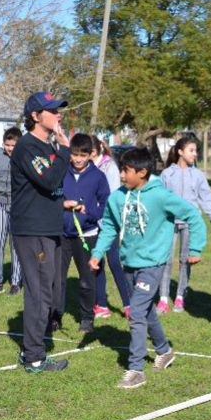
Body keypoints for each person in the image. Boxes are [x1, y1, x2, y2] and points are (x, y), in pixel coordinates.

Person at [89, 147, 207, 389]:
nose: (121, 175)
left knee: (137, 312)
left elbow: (193, 215)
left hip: (153, 263)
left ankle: (136, 370)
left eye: (126, 171)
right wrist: (97, 253)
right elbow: (110, 226)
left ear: (142, 172)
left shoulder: (161, 195)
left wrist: (195, 249)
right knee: (146, 310)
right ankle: (164, 350)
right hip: (129, 263)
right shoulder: (117, 197)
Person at [11, 91, 72, 374]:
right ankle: (34, 356)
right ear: (35, 116)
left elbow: (51, 187)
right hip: (32, 231)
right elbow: (48, 179)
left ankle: (34, 349)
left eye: (58, 110)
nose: (58, 115)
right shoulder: (27, 146)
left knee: (48, 290)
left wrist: (64, 203)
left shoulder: (46, 146)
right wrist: (65, 150)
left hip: (49, 228)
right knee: (39, 293)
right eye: (52, 110)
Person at [55, 133, 110, 334]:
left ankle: (87, 318)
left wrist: (90, 212)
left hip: (87, 235)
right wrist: (62, 204)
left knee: (87, 279)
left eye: (83, 155)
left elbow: (106, 205)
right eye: (75, 154)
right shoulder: (61, 172)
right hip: (61, 233)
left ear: (91, 155)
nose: (78, 159)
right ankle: (55, 317)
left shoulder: (98, 177)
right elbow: (51, 197)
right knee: (56, 279)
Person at [158, 134, 211, 313]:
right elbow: (160, 199)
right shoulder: (167, 174)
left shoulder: (198, 175)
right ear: (180, 152)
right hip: (169, 222)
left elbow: (206, 198)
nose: (195, 154)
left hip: (190, 224)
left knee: (185, 260)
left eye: (196, 151)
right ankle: (163, 298)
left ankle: (180, 297)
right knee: (166, 260)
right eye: (191, 150)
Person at [90, 136, 131, 319]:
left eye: (87, 153)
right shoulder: (89, 167)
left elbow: (113, 197)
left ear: (95, 150)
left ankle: (129, 303)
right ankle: (101, 304)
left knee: (115, 262)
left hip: (109, 223)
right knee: (96, 263)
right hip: (92, 223)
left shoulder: (110, 167)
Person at [0, 127, 23, 295]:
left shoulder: (24, 157)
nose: (10, 148)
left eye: (13, 145)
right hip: (0, 205)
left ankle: (16, 282)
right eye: (7, 144)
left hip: (18, 207)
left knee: (16, 246)